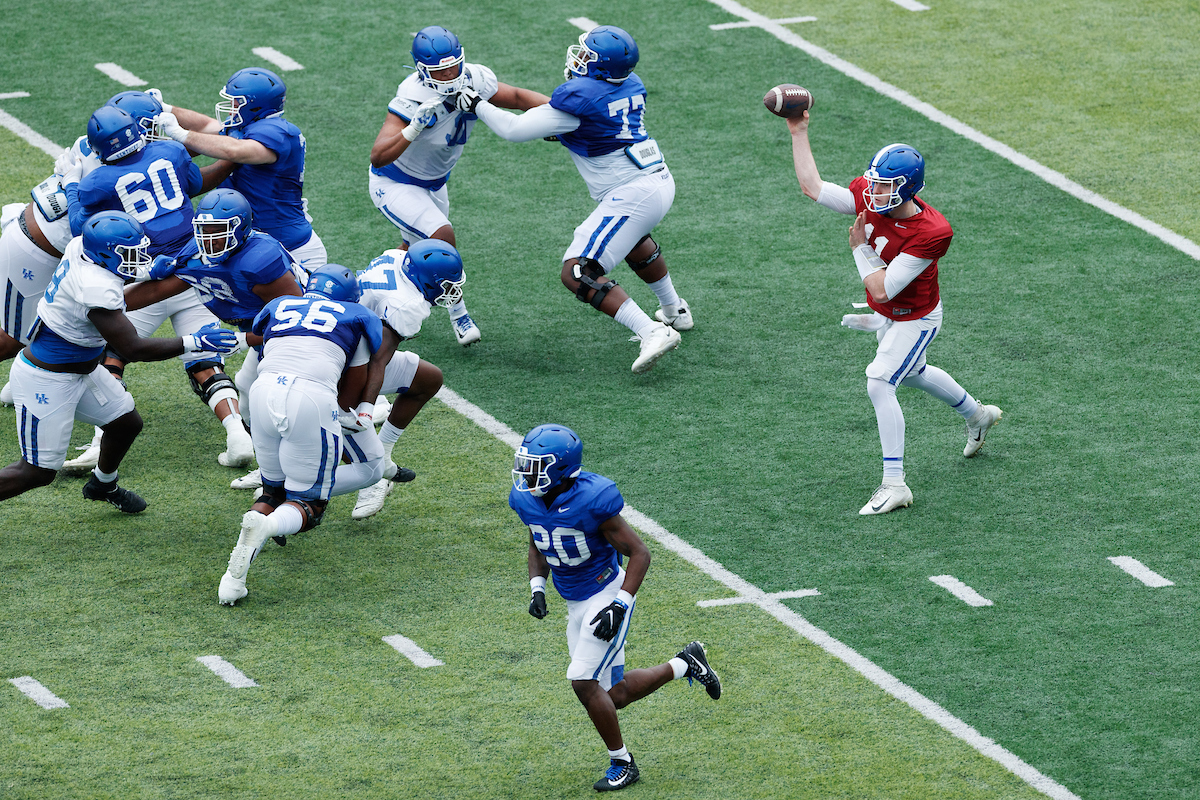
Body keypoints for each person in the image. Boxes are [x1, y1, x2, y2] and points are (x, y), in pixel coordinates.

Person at [786, 111, 1004, 514]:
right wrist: (798, 131)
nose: (872, 193)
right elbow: (812, 186)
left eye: (884, 187)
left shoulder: (932, 232)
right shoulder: (872, 196)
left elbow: (882, 287)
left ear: (908, 190)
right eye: (873, 183)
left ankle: (895, 483)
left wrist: (859, 249)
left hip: (915, 317)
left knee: (879, 380)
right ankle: (978, 415)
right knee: (915, 373)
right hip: (890, 314)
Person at [460, 25, 689, 374]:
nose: (578, 58)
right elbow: (575, 121)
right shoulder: (627, 84)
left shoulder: (581, 97)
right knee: (632, 240)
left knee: (578, 271)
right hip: (657, 181)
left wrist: (476, 104)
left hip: (633, 192)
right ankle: (675, 311)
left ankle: (652, 331)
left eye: (586, 55)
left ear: (599, 67)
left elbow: (513, 130)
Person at [509, 424, 721, 792]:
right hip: (574, 600)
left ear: (560, 469)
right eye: (525, 464)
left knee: (582, 682)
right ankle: (686, 662)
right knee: (615, 695)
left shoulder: (593, 501)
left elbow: (640, 553)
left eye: (536, 465)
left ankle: (623, 762)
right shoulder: (526, 499)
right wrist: (537, 587)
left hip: (606, 593)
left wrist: (620, 604)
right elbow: (538, 542)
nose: (527, 473)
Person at [0, 211, 239, 510]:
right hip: (48, 378)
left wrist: (149, 270)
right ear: (104, 254)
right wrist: (195, 342)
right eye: (130, 254)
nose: (137, 258)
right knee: (36, 472)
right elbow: (132, 347)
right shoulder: (94, 288)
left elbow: (117, 269)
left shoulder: (81, 248)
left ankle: (102, 484)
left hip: (82, 370)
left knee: (126, 424)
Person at [60, 100, 247, 471]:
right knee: (205, 358)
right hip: (194, 269)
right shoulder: (172, 150)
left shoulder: (98, 181)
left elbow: (81, 227)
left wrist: (71, 182)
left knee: (111, 354)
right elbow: (193, 185)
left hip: (144, 276)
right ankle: (237, 432)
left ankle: (100, 441)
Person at [367, 25, 550, 347]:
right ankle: (459, 315)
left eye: (454, 65)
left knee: (413, 248)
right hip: (394, 182)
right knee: (441, 237)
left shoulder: (474, 77)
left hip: (435, 183)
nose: (450, 74)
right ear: (422, 71)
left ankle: (367, 287)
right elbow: (379, 156)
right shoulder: (412, 96)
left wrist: (559, 114)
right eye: (441, 70)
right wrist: (413, 128)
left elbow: (519, 98)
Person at [218, 265, 385, 606]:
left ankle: (232, 582)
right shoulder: (356, 315)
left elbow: (264, 345)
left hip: (263, 390)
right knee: (309, 503)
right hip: (309, 398)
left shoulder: (280, 305)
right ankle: (263, 528)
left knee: (272, 489)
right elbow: (350, 392)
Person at [123, 188, 308, 472]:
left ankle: (361, 463)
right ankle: (270, 472)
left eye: (218, 231)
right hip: (265, 332)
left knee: (290, 404)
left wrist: (244, 340)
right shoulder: (198, 253)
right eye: (204, 230)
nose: (209, 240)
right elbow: (158, 289)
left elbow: (297, 321)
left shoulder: (260, 261)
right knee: (246, 394)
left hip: (301, 337)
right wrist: (105, 303)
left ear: (242, 229)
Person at [152, 70, 327, 273]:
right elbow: (207, 124)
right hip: (256, 245)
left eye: (236, 102)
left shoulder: (280, 132)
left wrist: (182, 134)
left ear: (255, 105)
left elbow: (235, 150)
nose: (231, 107)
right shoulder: (247, 127)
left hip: (293, 248)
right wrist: (166, 108)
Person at [345, 239, 460, 519]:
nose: (453, 292)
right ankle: (373, 478)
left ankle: (382, 451)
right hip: (339, 360)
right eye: (446, 286)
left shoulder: (397, 257)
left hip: (344, 338)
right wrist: (367, 408)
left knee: (429, 379)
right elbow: (378, 361)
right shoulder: (407, 305)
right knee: (345, 419)